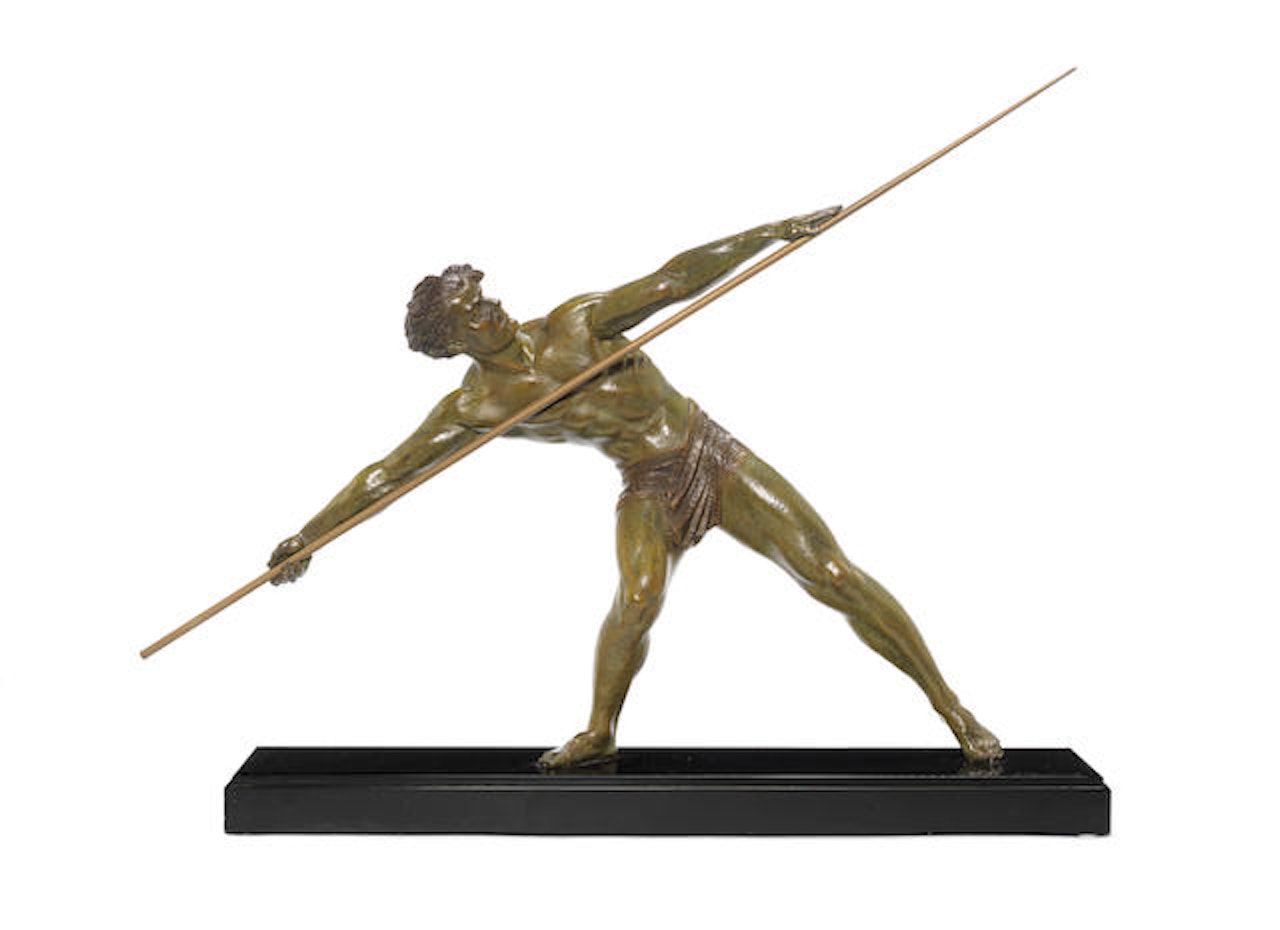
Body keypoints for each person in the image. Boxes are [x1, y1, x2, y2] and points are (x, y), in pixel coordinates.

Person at [268, 207, 1003, 769]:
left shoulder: (576, 325)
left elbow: (674, 280)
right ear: (455, 342)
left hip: (707, 451)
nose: (493, 310)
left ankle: (953, 709)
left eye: (487, 299)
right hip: (646, 480)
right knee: (640, 598)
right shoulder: (478, 406)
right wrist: (309, 537)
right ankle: (600, 734)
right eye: (474, 315)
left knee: (830, 573)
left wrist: (772, 233)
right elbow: (388, 473)